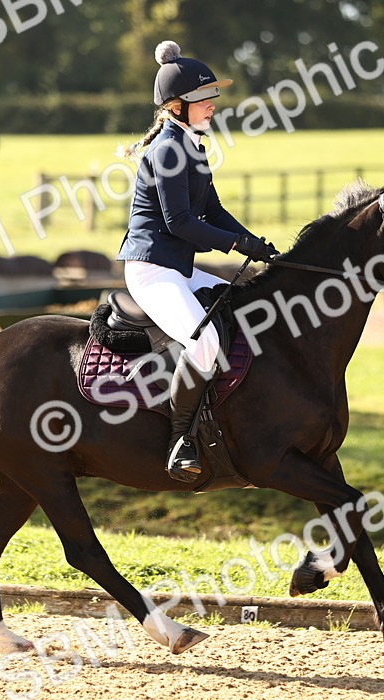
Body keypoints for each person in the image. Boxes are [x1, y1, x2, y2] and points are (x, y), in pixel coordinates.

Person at [116, 40, 278, 482]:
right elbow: (181, 222)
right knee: (204, 342)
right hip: (151, 271)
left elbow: (214, 210)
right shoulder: (168, 151)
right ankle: (180, 439)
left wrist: (253, 242)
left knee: (240, 308)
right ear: (176, 106)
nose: (212, 105)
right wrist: (237, 245)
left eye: (212, 96)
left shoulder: (192, 146)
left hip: (177, 270)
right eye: (203, 98)